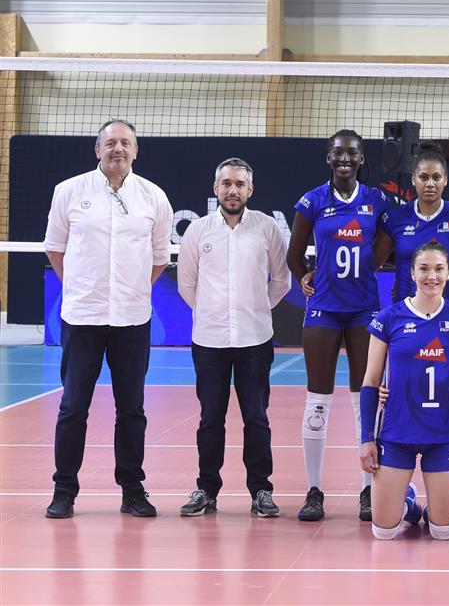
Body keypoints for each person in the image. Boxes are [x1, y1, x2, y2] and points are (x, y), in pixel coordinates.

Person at [44, 119, 174, 520]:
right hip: (83, 316)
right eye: (111, 142)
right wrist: (81, 287)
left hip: (132, 319)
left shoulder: (153, 197)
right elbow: (55, 249)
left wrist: (131, 289)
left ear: (136, 151)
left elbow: (160, 257)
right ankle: (64, 491)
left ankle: (132, 490)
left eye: (125, 143)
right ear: (97, 149)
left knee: (132, 408)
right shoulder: (69, 191)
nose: (118, 148)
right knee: (73, 407)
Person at [176, 157, 291, 519]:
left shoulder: (267, 228)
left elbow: (282, 280)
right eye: (226, 183)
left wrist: (254, 309)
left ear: (250, 190)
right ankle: (206, 489)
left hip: (255, 340)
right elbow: (187, 284)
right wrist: (213, 313)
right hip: (209, 341)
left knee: (256, 418)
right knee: (210, 418)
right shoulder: (198, 231)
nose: (232, 190)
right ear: (216, 188)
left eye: (240, 184)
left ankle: (261, 490)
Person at [287, 129, 392, 523]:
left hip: (364, 309)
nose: (344, 159)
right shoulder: (313, 200)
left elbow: (387, 243)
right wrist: (305, 276)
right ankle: (314, 490)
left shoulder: (376, 200)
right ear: (328, 158)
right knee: (318, 399)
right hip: (324, 309)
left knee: (364, 397)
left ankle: (367, 490)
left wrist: (369, 265)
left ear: (362, 159)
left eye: (352, 153)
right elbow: (294, 253)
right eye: (337, 153)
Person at [359, 242, 449, 541]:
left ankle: (435, 508)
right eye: (424, 269)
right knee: (383, 531)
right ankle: (408, 503)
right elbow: (370, 380)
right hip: (397, 433)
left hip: (442, 435)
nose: (431, 276)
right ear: (412, 273)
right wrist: (366, 438)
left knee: (443, 531)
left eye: (438, 269)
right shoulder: (389, 318)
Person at [379, 143, 449, 306]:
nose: (430, 184)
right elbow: (376, 260)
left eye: (436, 177)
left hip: (448, 311)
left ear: (445, 180)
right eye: (423, 177)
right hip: (405, 310)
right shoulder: (396, 217)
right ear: (413, 179)